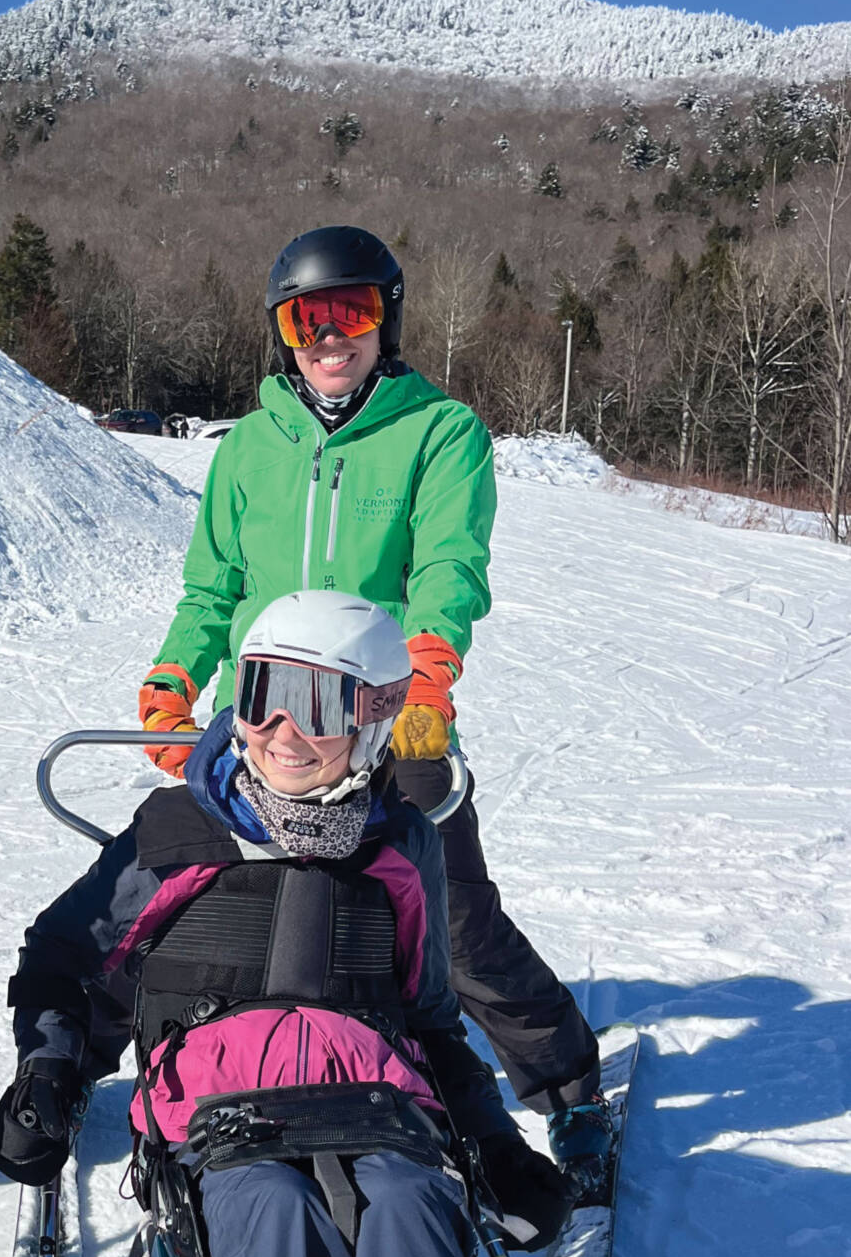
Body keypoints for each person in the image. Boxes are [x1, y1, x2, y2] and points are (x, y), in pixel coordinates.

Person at [0, 591, 588, 1257]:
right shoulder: (172, 836)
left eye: (316, 703)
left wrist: (491, 1144)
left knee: (407, 1216)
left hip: (383, 1118)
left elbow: (433, 1019)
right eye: (261, 693)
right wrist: (50, 1074)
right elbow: (63, 962)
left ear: (375, 714)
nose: (276, 729)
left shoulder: (398, 850)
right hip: (220, 1132)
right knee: (270, 1220)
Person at [137, 227, 611, 1201]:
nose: (327, 337)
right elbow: (210, 590)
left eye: (348, 314)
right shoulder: (247, 450)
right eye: (304, 319)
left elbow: (449, 570)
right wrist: (175, 678)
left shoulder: (439, 432)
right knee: (223, 910)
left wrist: (427, 674)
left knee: (450, 919)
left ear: (382, 320)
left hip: (395, 714)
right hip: (262, 723)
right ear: (281, 331)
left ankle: (566, 1087)